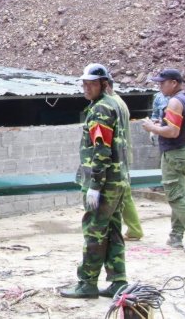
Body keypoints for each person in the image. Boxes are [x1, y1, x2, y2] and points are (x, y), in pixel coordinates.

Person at [60, 64, 129, 299]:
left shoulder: (100, 110)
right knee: (113, 229)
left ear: (104, 84)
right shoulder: (113, 105)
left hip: (105, 182)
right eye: (85, 83)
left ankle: (87, 282)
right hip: (117, 180)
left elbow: (101, 150)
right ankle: (118, 280)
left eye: (92, 83)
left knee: (94, 231)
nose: (86, 87)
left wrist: (95, 186)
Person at [140, 69, 185, 253]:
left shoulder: (174, 102)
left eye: (162, 83)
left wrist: (152, 127)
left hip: (174, 153)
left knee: (174, 195)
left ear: (173, 83)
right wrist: (162, 126)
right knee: (180, 194)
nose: (159, 86)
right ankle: (175, 236)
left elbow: (172, 131)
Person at [106, 78, 142, 241]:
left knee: (123, 194)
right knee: (124, 193)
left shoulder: (111, 103)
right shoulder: (119, 101)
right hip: (123, 153)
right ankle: (134, 229)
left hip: (118, 156)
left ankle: (134, 229)